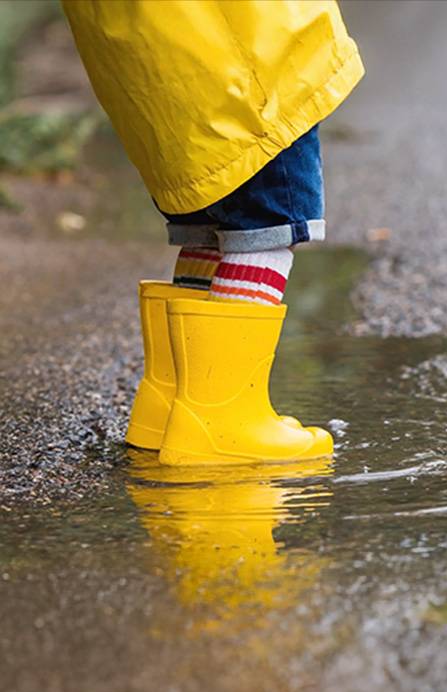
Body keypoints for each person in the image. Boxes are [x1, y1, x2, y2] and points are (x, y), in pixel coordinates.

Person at [62, 0, 364, 466]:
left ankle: (172, 403)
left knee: (210, 226)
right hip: (245, 68)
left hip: (176, 69)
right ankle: (222, 418)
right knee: (267, 228)